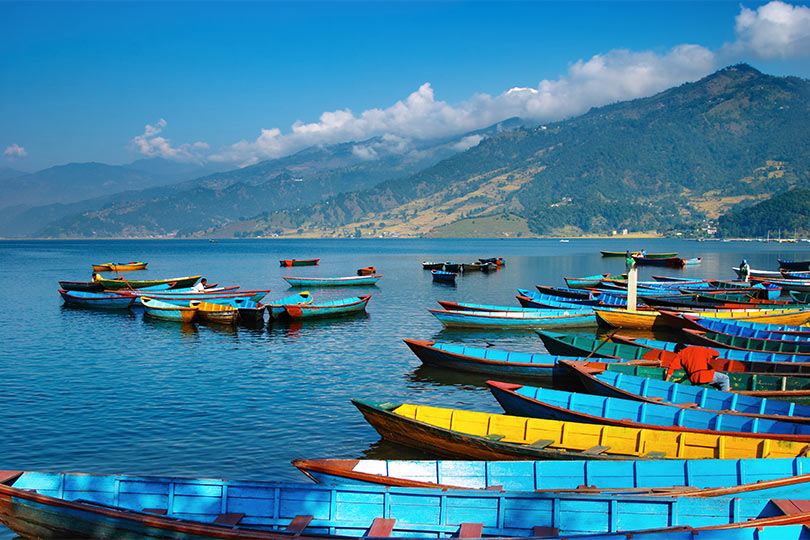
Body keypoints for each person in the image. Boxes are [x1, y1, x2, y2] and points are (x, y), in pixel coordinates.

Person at [667, 343, 731, 391]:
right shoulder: (701, 348)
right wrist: (715, 357)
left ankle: (720, 389)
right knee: (725, 378)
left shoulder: (680, 354)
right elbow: (717, 353)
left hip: (694, 379)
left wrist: (666, 381)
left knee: (714, 380)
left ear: (679, 350)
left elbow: (671, 368)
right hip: (706, 376)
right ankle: (724, 394)